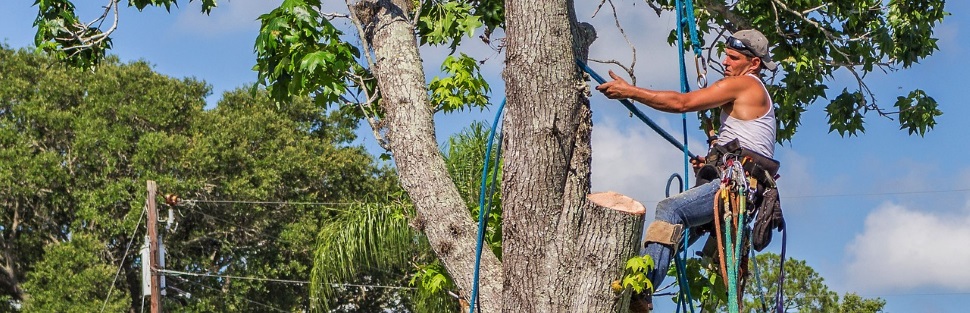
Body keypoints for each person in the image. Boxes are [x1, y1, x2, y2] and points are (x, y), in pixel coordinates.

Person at [595, 29, 778, 312]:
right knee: (670, 236)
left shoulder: (745, 84)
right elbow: (748, 144)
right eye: (726, 56)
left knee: (670, 210)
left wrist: (629, 92)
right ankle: (631, 278)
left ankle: (640, 292)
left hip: (734, 187)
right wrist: (711, 162)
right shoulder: (751, 90)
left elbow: (683, 103)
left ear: (753, 64)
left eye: (733, 57)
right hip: (735, 183)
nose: (726, 63)